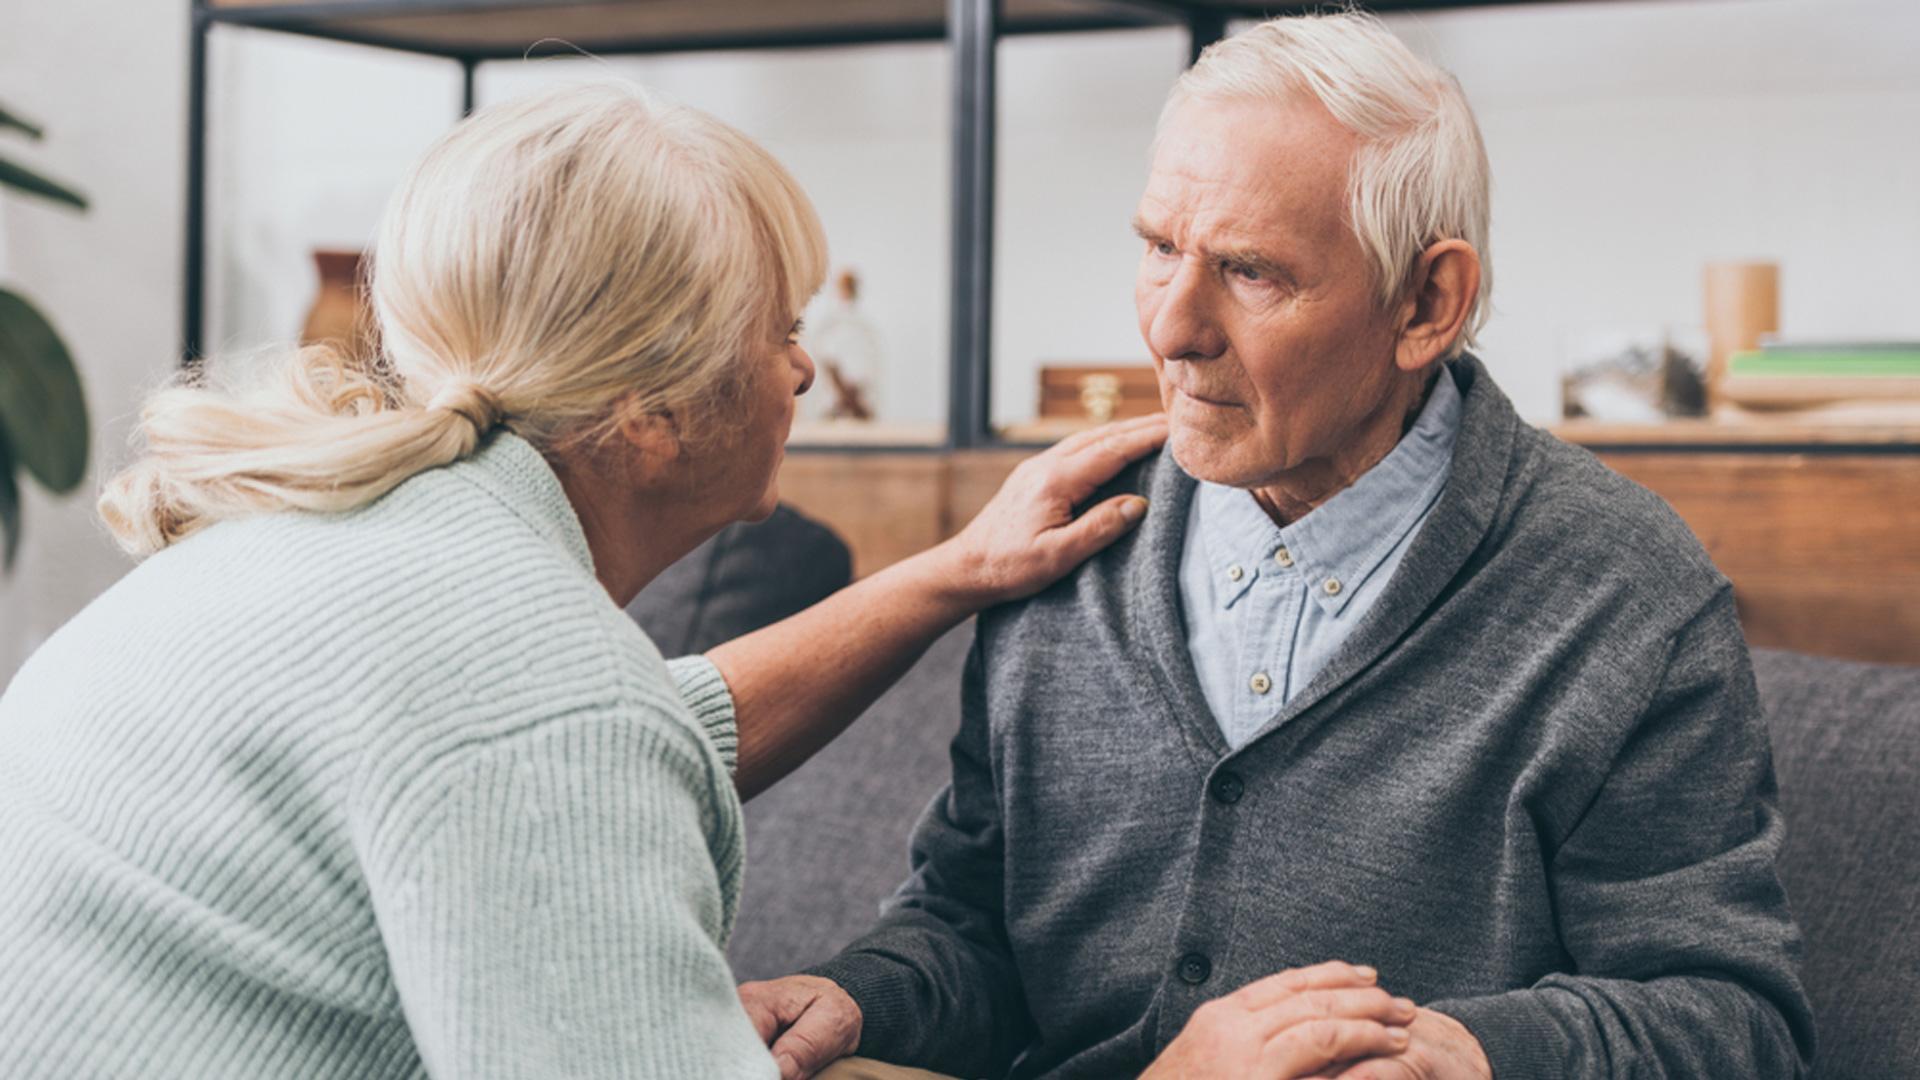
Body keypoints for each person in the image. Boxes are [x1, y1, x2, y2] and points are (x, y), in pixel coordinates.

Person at [0, 83, 1174, 1079]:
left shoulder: (344, 541)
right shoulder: (540, 704)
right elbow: (564, 738)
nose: (807, 369)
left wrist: (952, 572)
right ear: (653, 413)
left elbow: (632, 727)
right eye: (779, 328)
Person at [742, 13, 1815, 1080]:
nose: (1171, 328)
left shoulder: (1625, 593)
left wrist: (1470, 1054)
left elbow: (1731, 1023)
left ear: (1427, 303)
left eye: (1251, 272)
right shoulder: (1062, 541)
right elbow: (971, 925)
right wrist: (858, 996)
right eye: (1159, 248)